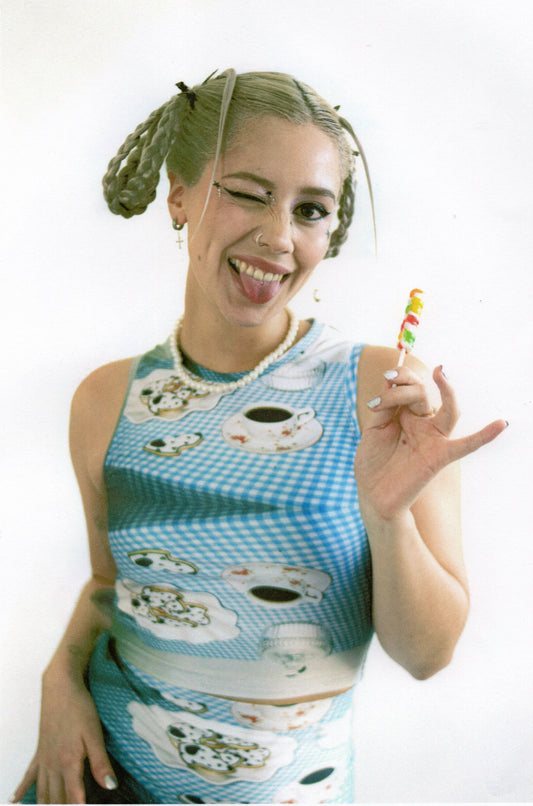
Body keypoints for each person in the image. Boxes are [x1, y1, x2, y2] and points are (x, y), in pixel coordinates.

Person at [13, 68, 507, 805]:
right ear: (179, 194)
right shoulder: (104, 401)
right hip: (105, 784)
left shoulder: (384, 397)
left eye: (310, 210)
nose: (278, 237)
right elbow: (110, 588)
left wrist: (389, 515)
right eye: (247, 193)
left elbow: (427, 656)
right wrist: (58, 681)